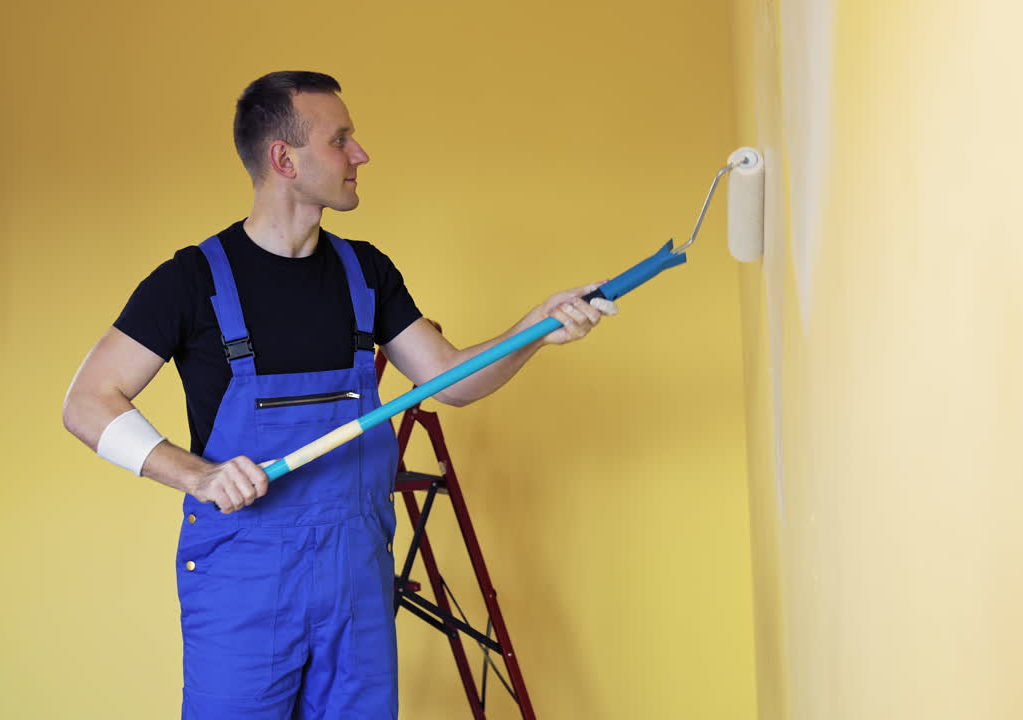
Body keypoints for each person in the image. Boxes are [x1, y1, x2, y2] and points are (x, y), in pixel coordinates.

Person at [61, 71, 615, 720]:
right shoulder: (193, 281)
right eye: (341, 139)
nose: (361, 154)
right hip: (246, 581)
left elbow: (452, 381)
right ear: (284, 160)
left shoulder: (367, 273)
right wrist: (198, 474)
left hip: (355, 579)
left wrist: (536, 330)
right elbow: (88, 401)